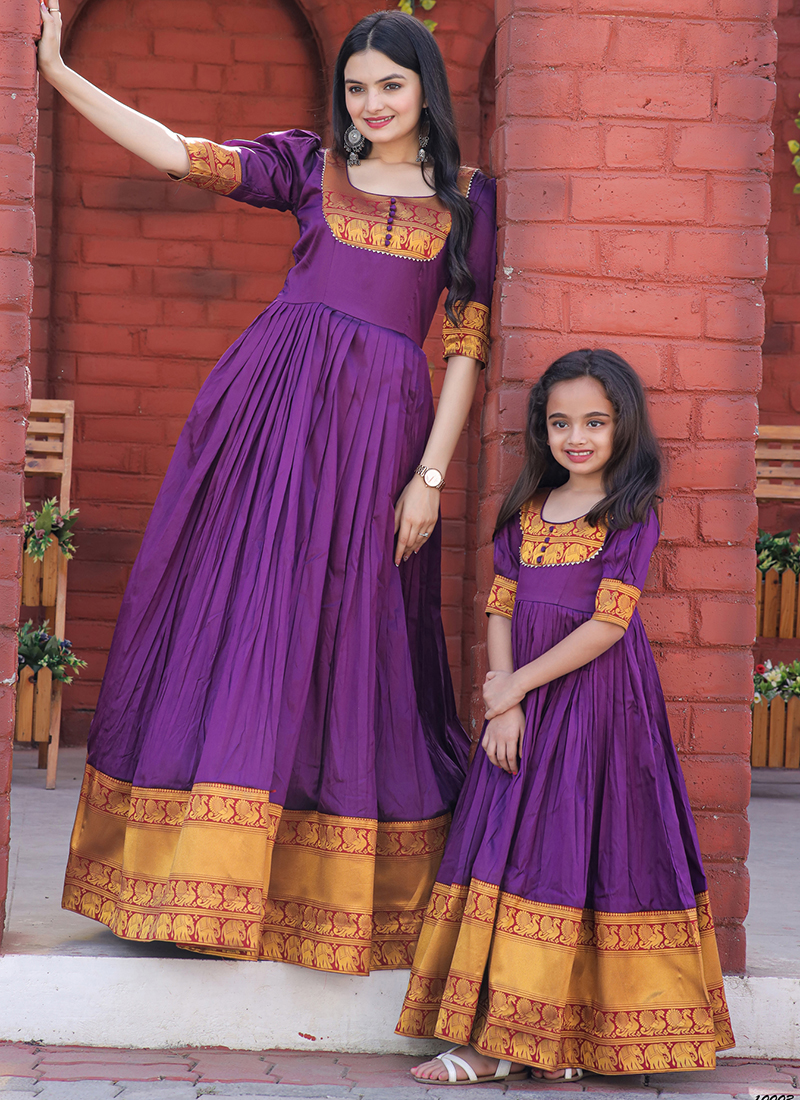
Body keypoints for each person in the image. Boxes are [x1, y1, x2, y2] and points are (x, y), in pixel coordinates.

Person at [37, 4, 497, 972]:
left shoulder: (465, 201)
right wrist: (59, 75)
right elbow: (180, 155)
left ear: (424, 91)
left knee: (351, 640)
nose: (369, 104)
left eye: (390, 85)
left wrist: (429, 477)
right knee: (250, 623)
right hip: (270, 425)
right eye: (356, 86)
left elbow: (463, 349)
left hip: (381, 445)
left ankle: (317, 893)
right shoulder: (305, 165)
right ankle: (198, 881)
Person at [396, 349, 734, 1080]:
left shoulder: (628, 515)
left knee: (575, 853)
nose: (575, 436)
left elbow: (608, 627)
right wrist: (501, 696)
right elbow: (501, 607)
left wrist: (516, 686)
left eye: (593, 422)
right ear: (541, 430)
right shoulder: (524, 513)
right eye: (559, 422)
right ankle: (499, 1040)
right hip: (521, 708)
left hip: (598, 707)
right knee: (514, 852)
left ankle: (545, 1042)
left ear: (623, 427)